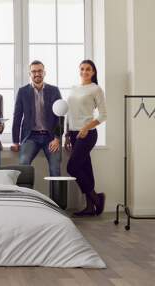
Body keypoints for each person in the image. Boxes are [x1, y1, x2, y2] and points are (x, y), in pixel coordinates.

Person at [65, 59, 107, 216]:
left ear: (93, 72)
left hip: (87, 134)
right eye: (82, 68)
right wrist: (67, 135)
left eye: (88, 69)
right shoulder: (74, 88)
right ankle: (90, 207)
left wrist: (86, 128)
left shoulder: (96, 89)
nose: (84, 71)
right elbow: (69, 113)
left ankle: (97, 198)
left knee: (72, 167)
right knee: (84, 168)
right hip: (74, 134)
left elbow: (103, 115)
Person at [11, 60, 62, 176]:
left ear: (44, 73)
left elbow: (60, 116)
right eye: (34, 71)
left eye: (40, 71)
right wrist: (15, 141)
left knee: (55, 169)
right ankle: (26, 194)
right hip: (31, 136)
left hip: (50, 137)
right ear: (30, 74)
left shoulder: (54, 91)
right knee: (23, 165)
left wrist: (57, 138)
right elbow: (17, 117)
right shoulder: (23, 91)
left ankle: (55, 195)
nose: (37, 74)